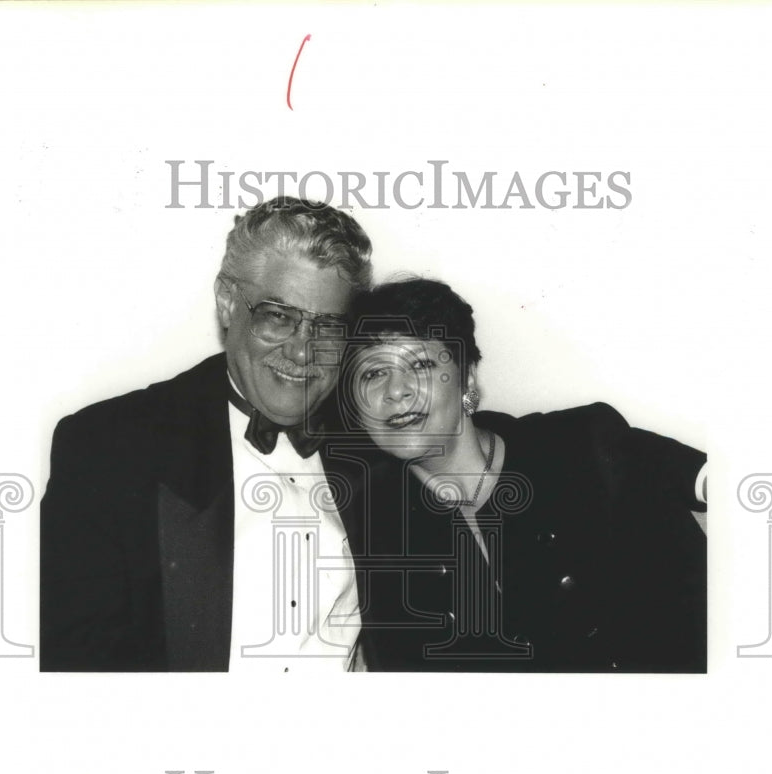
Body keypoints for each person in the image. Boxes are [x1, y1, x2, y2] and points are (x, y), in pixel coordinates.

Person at [40, 197, 375, 672]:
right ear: (227, 302)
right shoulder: (111, 446)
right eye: (278, 316)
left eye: (328, 328)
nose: (303, 353)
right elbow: (77, 674)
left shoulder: (375, 443)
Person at [343, 278, 708, 672]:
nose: (396, 391)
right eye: (373, 373)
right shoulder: (365, 525)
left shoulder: (581, 446)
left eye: (421, 365)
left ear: (466, 377)